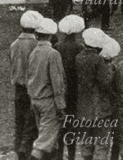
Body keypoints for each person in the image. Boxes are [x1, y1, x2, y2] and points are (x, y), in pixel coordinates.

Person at [26, 18, 67, 160]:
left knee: (49, 139)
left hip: (35, 99)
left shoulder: (33, 52)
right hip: (48, 101)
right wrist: (61, 105)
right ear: (51, 35)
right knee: (43, 143)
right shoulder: (53, 54)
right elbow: (58, 82)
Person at [75, 27, 113, 160]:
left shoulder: (78, 58)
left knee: (86, 140)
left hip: (82, 106)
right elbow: (105, 83)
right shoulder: (98, 60)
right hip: (98, 107)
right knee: (102, 142)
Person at [10, 10, 43, 160]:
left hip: (18, 88)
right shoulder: (36, 45)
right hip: (32, 89)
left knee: (19, 123)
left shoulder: (14, 44)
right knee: (32, 124)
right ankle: (27, 150)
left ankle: (17, 150)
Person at [56, 15, 85, 160]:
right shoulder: (80, 47)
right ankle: (72, 153)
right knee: (72, 123)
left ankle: (60, 153)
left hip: (62, 87)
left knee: (61, 123)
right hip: (75, 88)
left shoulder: (58, 47)